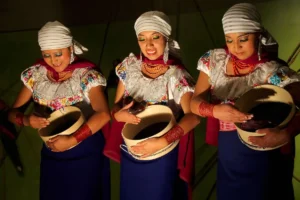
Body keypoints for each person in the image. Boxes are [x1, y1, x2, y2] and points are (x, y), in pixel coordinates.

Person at [190, 3, 300, 200]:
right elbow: (193, 102)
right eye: (229, 40)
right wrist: (214, 111)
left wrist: (286, 134)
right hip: (228, 154)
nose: (235, 47)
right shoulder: (214, 62)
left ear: (258, 35)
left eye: (243, 39)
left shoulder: (270, 71)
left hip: (262, 151)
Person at [8, 21, 111, 200]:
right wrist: (26, 120)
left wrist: (72, 140)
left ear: (70, 48)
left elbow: (103, 115)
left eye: (58, 53)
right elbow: (11, 113)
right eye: (47, 55)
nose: (53, 61)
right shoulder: (37, 75)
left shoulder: (86, 76)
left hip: (84, 149)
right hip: (52, 151)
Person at [104, 11, 200, 200]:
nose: (148, 45)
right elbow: (115, 107)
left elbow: (193, 117)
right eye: (142, 38)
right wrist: (117, 116)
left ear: (166, 38)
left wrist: (163, 141)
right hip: (132, 149)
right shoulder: (129, 69)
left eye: (155, 37)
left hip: (162, 151)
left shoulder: (177, 75)